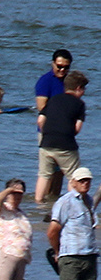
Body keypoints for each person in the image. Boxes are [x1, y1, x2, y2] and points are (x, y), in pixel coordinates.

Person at [48, 168, 97, 280]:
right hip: (70, 257)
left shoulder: (89, 200)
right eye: (82, 180)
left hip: (90, 255)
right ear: (74, 182)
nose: (85, 183)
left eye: (88, 180)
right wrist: (57, 252)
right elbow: (52, 231)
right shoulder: (65, 202)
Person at [35, 70, 86, 206]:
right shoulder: (79, 104)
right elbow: (77, 128)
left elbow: (40, 120)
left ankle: (38, 204)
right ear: (78, 88)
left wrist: (48, 133)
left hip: (46, 143)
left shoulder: (53, 100)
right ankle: (73, 205)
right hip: (66, 145)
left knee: (44, 175)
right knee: (73, 177)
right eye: (83, 89)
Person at [35, 50, 72, 114]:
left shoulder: (71, 80)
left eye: (66, 67)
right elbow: (41, 108)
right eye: (59, 66)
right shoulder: (45, 81)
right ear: (53, 64)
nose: (62, 70)